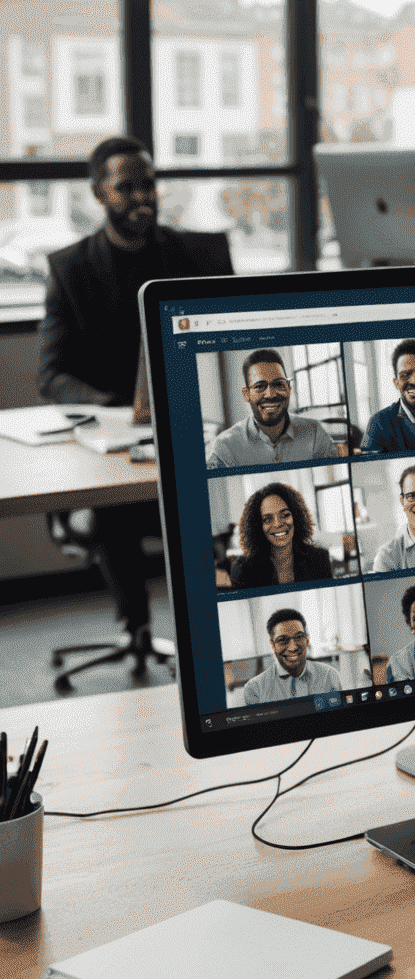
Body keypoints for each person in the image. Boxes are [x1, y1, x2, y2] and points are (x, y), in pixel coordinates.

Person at [38, 138, 232, 648]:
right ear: (99, 194)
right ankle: (138, 626)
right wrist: (118, 410)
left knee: (219, 486)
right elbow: (52, 375)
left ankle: (217, 633)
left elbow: (235, 346)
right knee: (114, 505)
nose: (142, 197)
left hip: (195, 433)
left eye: (148, 184)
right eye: (126, 187)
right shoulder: (71, 269)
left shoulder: (199, 255)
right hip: (119, 446)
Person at [205, 349, 339, 468]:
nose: (270, 394)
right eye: (259, 386)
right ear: (246, 394)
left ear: (288, 388)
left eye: (278, 384)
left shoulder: (315, 432)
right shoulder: (225, 446)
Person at [225, 482, 333, 589]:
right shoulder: (244, 570)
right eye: (267, 519)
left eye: (285, 515)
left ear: (295, 517)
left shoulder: (319, 559)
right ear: (258, 526)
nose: (278, 524)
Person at [241, 609, 342, 705]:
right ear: (272, 645)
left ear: (307, 639)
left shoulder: (330, 676)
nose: (293, 647)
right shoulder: (255, 689)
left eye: (299, 637)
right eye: (283, 640)